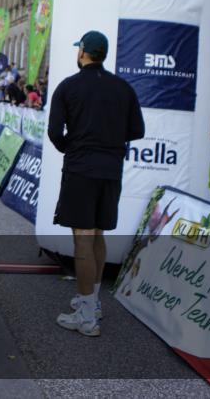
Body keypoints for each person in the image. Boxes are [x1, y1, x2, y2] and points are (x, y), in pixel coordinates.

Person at [47, 30, 144, 337]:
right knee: (98, 235)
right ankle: (93, 301)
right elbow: (137, 131)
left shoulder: (68, 86)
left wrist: (72, 148)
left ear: (84, 52)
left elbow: (53, 131)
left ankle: (87, 316)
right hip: (111, 170)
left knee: (83, 240)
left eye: (79, 49)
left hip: (81, 169)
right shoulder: (123, 88)